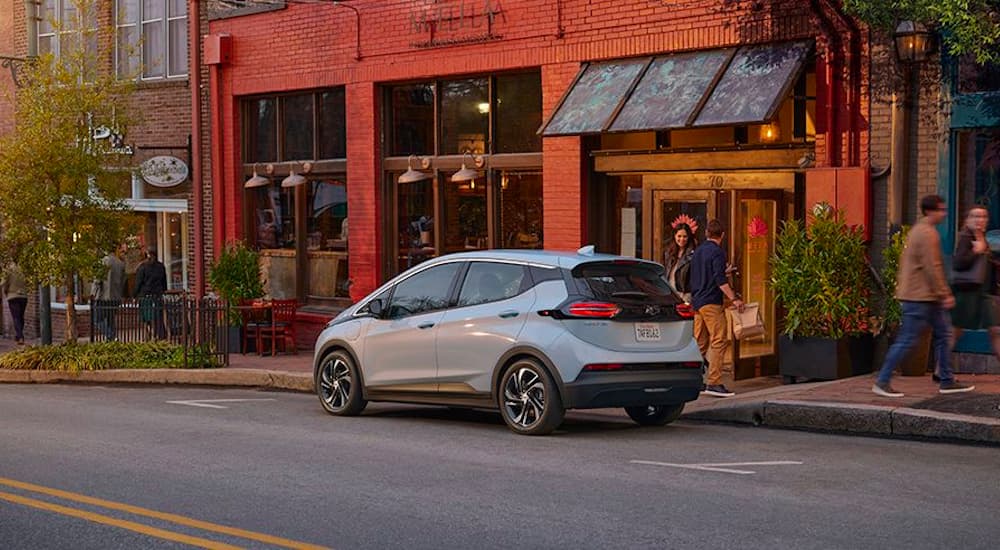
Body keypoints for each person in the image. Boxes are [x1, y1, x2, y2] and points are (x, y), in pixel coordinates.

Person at [873, 195, 975, 397]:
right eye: (941, 210)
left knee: (944, 334)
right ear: (930, 211)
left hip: (924, 296)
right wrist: (944, 293)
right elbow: (932, 267)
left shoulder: (918, 230)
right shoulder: (928, 233)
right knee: (908, 339)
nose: (944, 214)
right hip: (920, 297)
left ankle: (946, 380)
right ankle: (882, 380)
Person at [689, 219, 744, 398]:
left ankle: (694, 380)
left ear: (706, 233)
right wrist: (734, 299)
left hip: (697, 301)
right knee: (719, 340)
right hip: (711, 302)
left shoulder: (698, 251)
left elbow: (703, 274)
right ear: (722, 235)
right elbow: (720, 281)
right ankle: (714, 382)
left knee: (700, 342)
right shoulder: (718, 252)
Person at [948, 206, 1000, 371]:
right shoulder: (966, 237)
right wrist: (976, 252)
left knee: (995, 330)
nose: (980, 220)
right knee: (956, 332)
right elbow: (958, 263)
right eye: (976, 216)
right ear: (968, 220)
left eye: (984, 216)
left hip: (983, 293)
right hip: (967, 291)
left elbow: (987, 266)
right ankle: (940, 370)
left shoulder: (982, 237)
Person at [92, 245, 126, 341]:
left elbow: (98, 280)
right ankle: (112, 340)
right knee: (111, 320)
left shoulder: (103, 261)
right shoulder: (121, 263)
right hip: (116, 296)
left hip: (103, 296)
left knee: (97, 320)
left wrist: (93, 293)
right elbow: (123, 281)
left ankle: (111, 336)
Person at [134, 247, 168, 339]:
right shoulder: (161, 267)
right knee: (157, 317)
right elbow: (164, 282)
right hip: (157, 295)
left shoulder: (143, 267)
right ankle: (159, 335)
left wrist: (135, 295)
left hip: (146, 295)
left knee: (147, 318)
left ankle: (151, 335)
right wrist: (163, 291)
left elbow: (138, 282)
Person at [664, 223, 697, 303]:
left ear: (689, 237)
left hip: (685, 295)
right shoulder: (669, 253)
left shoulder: (693, 254)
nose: (682, 239)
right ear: (674, 236)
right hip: (670, 293)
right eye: (679, 236)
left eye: (685, 236)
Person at [1, 262, 28, 345]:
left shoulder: (8, 269)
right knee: (20, 316)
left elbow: (4, 283)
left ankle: (20, 337)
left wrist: (5, 291)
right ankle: (18, 336)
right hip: (23, 296)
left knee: (16, 317)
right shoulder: (24, 269)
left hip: (12, 296)